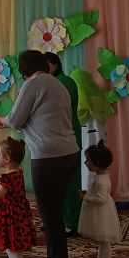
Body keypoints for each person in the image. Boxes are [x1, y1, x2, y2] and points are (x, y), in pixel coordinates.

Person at [0, 49, 79, 258]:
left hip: (49, 155)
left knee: (50, 213)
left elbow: (16, 119)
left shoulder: (33, 84)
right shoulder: (57, 83)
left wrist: (0, 120)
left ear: (23, 69)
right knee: (54, 211)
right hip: (69, 152)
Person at [46, 51, 83, 237]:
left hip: (67, 137)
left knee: (69, 183)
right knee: (53, 183)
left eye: (45, 66)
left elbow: (55, 109)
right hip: (54, 139)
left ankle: (72, 222)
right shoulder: (50, 82)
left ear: (54, 64)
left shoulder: (65, 82)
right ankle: (57, 220)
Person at [79, 141, 122, 258]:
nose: (85, 163)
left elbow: (101, 199)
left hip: (102, 214)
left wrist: (86, 197)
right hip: (99, 212)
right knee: (102, 242)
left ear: (97, 163)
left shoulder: (101, 181)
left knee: (104, 242)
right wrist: (88, 193)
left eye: (88, 161)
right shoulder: (99, 177)